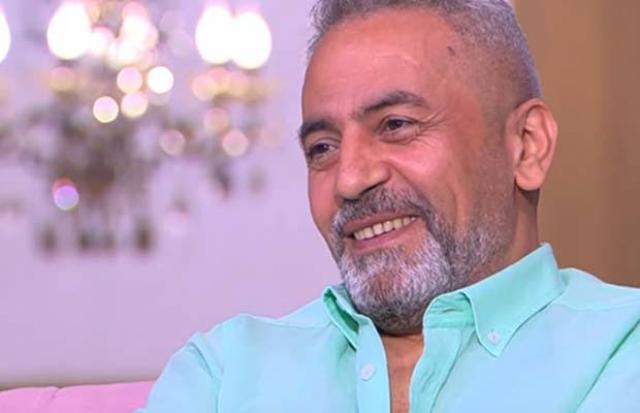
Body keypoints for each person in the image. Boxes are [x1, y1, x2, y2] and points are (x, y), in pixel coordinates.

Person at [138, 1, 640, 412]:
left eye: (396, 125)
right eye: (322, 148)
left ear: (527, 146)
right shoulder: (224, 373)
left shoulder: (622, 350)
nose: (350, 178)